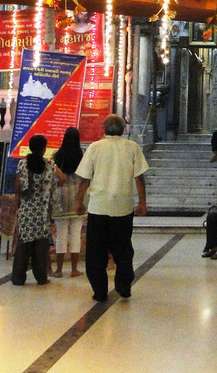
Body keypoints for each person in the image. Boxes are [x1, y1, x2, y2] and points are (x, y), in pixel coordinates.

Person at [76, 114, 149, 301]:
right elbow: (139, 177)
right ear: (124, 129)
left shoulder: (94, 148)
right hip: (122, 208)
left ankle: (99, 291)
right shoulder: (132, 148)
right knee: (123, 249)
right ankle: (123, 286)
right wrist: (142, 201)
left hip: (98, 207)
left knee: (96, 252)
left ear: (104, 129)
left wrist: (78, 201)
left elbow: (85, 178)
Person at [12, 134, 56, 285]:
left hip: (26, 210)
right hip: (43, 212)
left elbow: (18, 187)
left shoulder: (22, 164)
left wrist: (17, 206)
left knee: (23, 246)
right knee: (40, 248)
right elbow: (61, 179)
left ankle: (18, 278)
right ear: (44, 149)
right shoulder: (49, 165)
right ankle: (41, 278)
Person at [51, 127, 85, 278]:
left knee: (61, 234)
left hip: (61, 196)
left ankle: (58, 270)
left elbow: (54, 178)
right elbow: (86, 178)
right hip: (78, 196)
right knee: (76, 233)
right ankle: (74, 269)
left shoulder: (56, 155)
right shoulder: (83, 155)